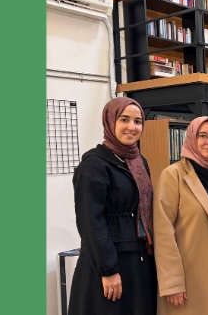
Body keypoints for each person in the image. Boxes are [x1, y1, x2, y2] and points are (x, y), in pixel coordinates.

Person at [69, 97, 156, 315]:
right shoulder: (94, 164)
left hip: (138, 259)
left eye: (138, 121)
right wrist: (108, 270)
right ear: (110, 121)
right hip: (109, 262)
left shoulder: (139, 162)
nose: (132, 127)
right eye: (124, 119)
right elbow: (91, 221)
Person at [153, 116, 208, 315]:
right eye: (203, 136)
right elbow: (163, 232)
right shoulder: (172, 176)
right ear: (191, 138)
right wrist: (172, 283)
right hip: (188, 281)